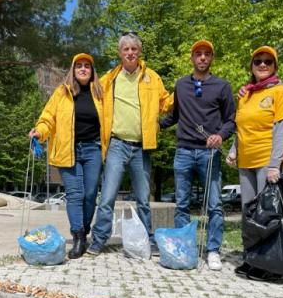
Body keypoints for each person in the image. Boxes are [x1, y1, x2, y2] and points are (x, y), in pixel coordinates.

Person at [86, 32, 173, 255]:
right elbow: (88, 96)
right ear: (120, 53)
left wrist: (186, 90)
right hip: (116, 145)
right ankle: (98, 239)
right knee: (107, 197)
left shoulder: (152, 77)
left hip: (142, 147)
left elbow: (166, 102)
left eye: (134, 49)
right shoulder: (109, 79)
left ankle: (147, 240)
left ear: (139, 51)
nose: (130, 53)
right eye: (126, 49)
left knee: (143, 199)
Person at [160, 40, 236, 271]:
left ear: (211, 58)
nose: (202, 57)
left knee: (214, 205)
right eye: (198, 54)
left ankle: (213, 250)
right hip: (183, 151)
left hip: (209, 153)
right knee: (182, 204)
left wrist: (220, 136)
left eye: (207, 54)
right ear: (192, 58)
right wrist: (153, 125)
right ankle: (185, 248)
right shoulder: (181, 84)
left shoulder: (222, 86)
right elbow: (174, 116)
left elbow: (231, 120)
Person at [29, 53, 106, 259]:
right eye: (79, 66)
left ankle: (84, 229)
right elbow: (48, 118)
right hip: (68, 150)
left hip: (93, 149)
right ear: (73, 70)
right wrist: (39, 132)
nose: (83, 69)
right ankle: (78, 236)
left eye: (87, 66)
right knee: (74, 194)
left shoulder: (100, 93)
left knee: (90, 194)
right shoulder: (61, 93)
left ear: (92, 71)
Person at [226, 46, 283, 275]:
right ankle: (251, 258)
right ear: (251, 66)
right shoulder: (246, 94)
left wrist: (274, 164)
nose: (262, 65)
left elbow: (281, 128)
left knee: (266, 214)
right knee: (248, 213)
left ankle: (268, 263)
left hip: (265, 161)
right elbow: (241, 127)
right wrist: (234, 150)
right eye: (258, 61)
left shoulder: (279, 91)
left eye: (268, 61)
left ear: (274, 66)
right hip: (246, 161)